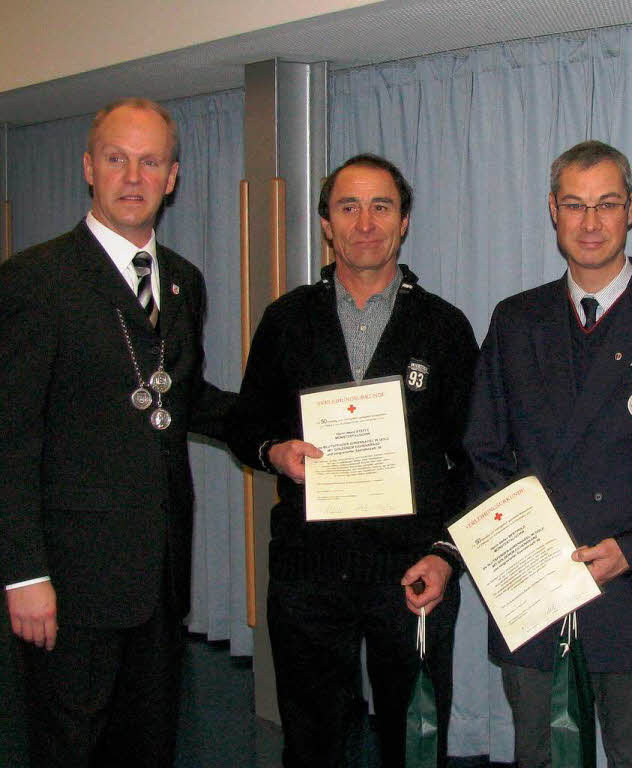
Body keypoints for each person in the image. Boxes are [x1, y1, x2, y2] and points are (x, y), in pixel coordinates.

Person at [463, 140, 632, 767]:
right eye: (575, 205)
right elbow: (483, 449)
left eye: (607, 204)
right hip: (531, 588)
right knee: (538, 753)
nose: (590, 223)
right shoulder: (514, 320)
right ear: (553, 213)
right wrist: (518, 549)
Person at [0, 97, 235, 766]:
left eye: (150, 161)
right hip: (69, 585)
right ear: (88, 168)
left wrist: (276, 434)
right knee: (68, 746)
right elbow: (10, 439)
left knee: (149, 744)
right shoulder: (35, 281)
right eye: (116, 159)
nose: (133, 177)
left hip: (158, 576)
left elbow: (183, 398)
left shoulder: (184, 282)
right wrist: (22, 576)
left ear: (173, 176)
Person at [226, 154, 479, 767]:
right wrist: (274, 452)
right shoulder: (285, 321)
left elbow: (474, 460)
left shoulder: (444, 327)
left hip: (412, 572)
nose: (365, 222)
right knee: (312, 741)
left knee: (413, 740)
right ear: (326, 225)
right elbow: (244, 427)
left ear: (404, 222)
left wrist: (447, 557)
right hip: (309, 571)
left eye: (381, 206)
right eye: (348, 207)